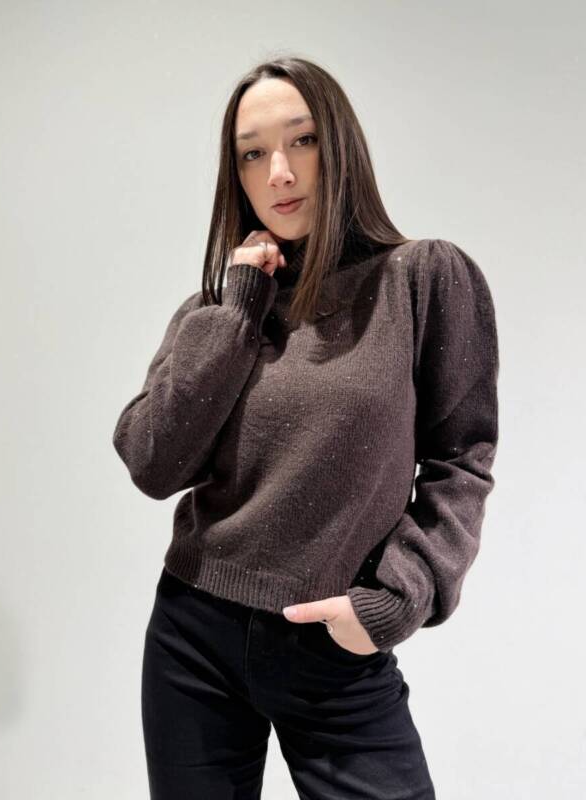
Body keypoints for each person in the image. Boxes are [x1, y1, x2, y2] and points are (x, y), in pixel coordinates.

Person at [112, 56, 499, 800]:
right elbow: (153, 463)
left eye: (303, 140)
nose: (280, 173)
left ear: (340, 145)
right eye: (252, 154)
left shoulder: (421, 279)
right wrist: (237, 309)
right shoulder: (218, 311)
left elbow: (461, 460)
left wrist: (398, 597)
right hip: (192, 638)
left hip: (333, 649)